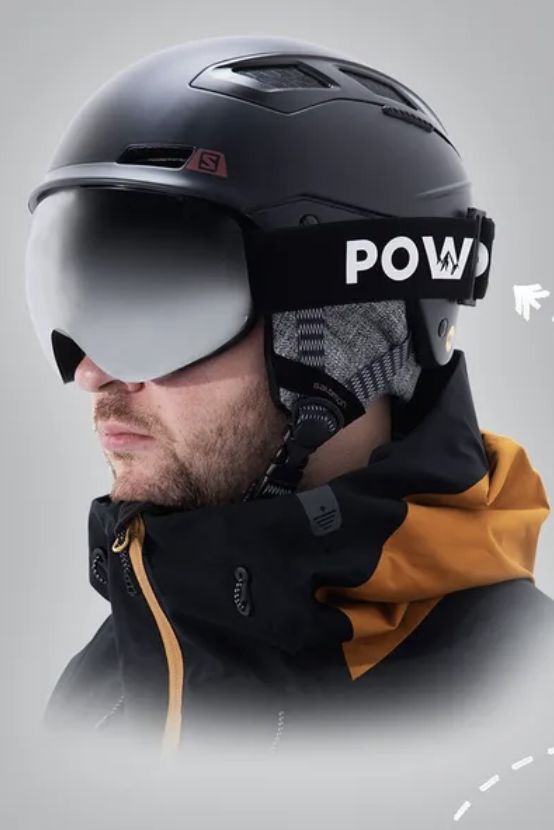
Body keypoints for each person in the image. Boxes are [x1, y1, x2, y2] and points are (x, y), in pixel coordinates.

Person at [25, 34, 554, 793]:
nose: (90, 372)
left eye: (158, 304)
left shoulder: (522, 711)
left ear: (340, 338)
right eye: (80, 299)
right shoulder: (105, 685)